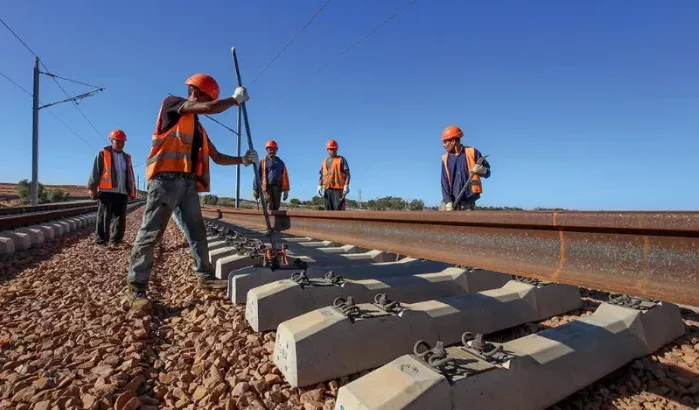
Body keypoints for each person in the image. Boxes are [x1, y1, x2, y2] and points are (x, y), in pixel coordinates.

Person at [126, 73, 258, 309]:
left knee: (197, 233)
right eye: (206, 98)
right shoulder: (172, 104)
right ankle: (137, 290)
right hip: (164, 182)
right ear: (196, 93)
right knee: (150, 235)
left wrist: (243, 160)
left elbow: (217, 157)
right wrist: (233, 100)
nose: (205, 104)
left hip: (187, 185)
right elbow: (210, 107)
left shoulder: (198, 129)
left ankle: (204, 276)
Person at [87, 129, 136, 247]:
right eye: (117, 141)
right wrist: (92, 188)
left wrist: (131, 191)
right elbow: (95, 171)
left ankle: (116, 241)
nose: (120, 144)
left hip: (122, 192)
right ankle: (101, 241)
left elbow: (130, 174)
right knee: (104, 217)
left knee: (120, 218)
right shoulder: (103, 153)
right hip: (106, 191)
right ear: (111, 140)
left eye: (122, 142)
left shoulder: (127, 157)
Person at [440, 125, 491, 211]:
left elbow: (488, 173)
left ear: (453, 141)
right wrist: (448, 201)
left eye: (445, 142)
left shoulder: (472, 152)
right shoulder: (445, 159)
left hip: (469, 202)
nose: (443, 145)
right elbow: (444, 182)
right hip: (452, 203)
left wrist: (482, 170)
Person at [253, 140, 290, 211]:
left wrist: (286, 191)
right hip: (267, 187)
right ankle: (268, 221)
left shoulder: (281, 163)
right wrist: (255, 189)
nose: (272, 151)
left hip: (277, 188)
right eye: (270, 150)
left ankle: (276, 221)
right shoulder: (263, 161)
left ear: (276, 150)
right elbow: (257, 175)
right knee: (268, 204)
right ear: (267, 150)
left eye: (273, 150)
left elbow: (285, 177)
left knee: (276, 206)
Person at [317, 139, 350, 211]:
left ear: (337, 149)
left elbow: (347, 174)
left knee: (339, 211)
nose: (332, 151)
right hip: (327, 190)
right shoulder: (324, 161)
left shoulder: (341, 159)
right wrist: (319, 185)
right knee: (328, 211)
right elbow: (322, 175)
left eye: (334, 149)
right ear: (327, 150)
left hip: (338, 191)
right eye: (330, 149)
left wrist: (346, 186)